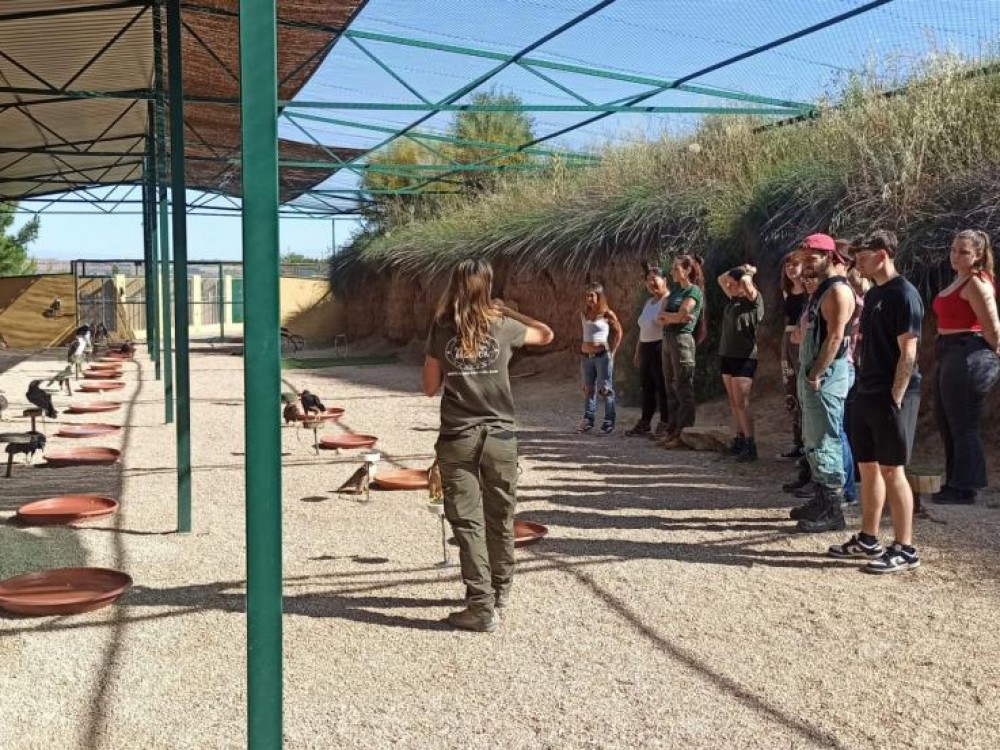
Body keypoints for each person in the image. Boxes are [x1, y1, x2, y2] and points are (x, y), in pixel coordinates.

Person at [422, 259, 554, 632]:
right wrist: (508, 310)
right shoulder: (504, 326)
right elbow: (546, 334)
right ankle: (501, 590)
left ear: (454, 284)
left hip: (458, 437)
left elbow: (429, 387)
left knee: (468, 522)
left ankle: (480, 606)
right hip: (500, 438)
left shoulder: (441, 327)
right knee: (501, 517)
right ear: (489, 286)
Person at [828, 230, 923, 573]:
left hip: (891, 394)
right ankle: (869, 538)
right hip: (866, 390)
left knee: (893, 469)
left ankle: (905, 548)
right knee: (867, 467)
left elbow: (908, 351)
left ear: (883, 254)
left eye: (864, 255)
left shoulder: (904, 294)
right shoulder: (875, 294)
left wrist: (896, 395)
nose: (858, 262)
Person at [789, 234, 855, 533]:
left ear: (829, 257)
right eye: (803, 258)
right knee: (813, 440)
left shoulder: (838, 291)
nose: (806, 264)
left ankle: (833, 509)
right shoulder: (821, 290)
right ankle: (820, 498)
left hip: (826, 377)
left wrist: (816, 373)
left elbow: (836, 337)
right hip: (813, 374)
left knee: (827, 439)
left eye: (812, 257)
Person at [931, 229, 1000, 505]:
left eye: (963, 252)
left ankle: (965, 487)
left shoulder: (977, 283)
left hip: (968, 353)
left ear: (978, 255)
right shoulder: (959, 279)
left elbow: (992, 327)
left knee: (963, 423)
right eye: (953, 250)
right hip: (950, 351)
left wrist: (993, 354)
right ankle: (954, 481)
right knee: (947, 420)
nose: (955, 256)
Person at [656, 254, 706, 449]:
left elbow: (682, 315)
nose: (672, 272)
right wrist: (674, 317)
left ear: (687, 270)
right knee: (670, 387)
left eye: (676, 269)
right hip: (668, 338)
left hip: (682, 340)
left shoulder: (693, 291)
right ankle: (672, 431)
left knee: (683, 386)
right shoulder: (676, 290)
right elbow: (662, 317)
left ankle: (684, 434)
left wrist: (673, 317)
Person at [717, 263, 764, 461]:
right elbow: (720, 278)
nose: (728, 286)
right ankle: (740, 439)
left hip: (744, 357)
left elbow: (746, 282)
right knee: (733, 401)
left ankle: (750, 444)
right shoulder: (733, 299)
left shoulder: (754, 301)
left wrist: (748, 272)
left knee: (742, 402)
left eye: (733, 284)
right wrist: (739, 268)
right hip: (727, 355)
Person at [626, 266, 670, 437]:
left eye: (654, 279)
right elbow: (643, 329)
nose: (651, 283)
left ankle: (665, 422)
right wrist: (638, 351)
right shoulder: (648, 302)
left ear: (664, 280)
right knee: (647, 387)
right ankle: (645, 422)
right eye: (648, 280)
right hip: (646, 347)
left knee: (662, 386)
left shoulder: (668, 300)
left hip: (660, 347)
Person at [578, 282, 623, 435]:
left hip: (602, 356)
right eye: (587, 296)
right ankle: (588, 419)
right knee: (588, 388)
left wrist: (613, 352)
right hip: (586, 357)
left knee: (605, 389)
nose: (589, 299)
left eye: (592, 295)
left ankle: (609, 421)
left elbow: (618, 332)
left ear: (599, 296)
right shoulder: (584, 312)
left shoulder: (607, 313)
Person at [780, 252, 808, 459]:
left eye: (795, 264)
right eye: (787, 265)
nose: (790, 268)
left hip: (803, 341)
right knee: (790, 387)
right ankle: (797, 441)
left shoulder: (810, 290)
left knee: (803, 388)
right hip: (787, 339)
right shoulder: (786, 291)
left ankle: (808, 442)